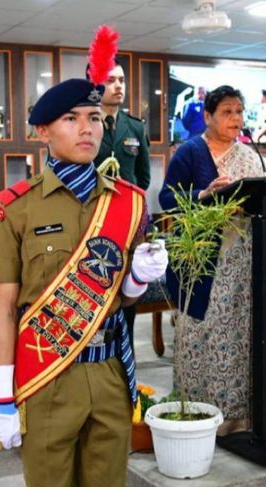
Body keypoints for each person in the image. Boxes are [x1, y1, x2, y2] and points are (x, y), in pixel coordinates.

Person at [0, 69, 167, 487]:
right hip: (47, 376)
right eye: (71, 118)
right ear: (43, 132)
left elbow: (122, 298)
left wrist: (138, 279)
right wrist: (3, 399)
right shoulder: (14, 207)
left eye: (94, 118)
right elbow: (3, 311)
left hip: (109, 373)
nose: (87, 129)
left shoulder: (128, 203)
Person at [159, 85, 266, 434]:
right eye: (226, 112)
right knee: (201, 334)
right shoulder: (190, 152)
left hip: (243, 262)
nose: (235, 118)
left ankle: (238, 418)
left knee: (239, 335)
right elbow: (167, 199)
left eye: (239, 111)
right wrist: (203, 195)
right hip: (203, 262)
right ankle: (199, 416)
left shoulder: (250, 156)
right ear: (207, 116)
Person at [93, 60, 151, 350]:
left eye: (121, 80)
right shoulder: (86, 123)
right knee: (95, 288)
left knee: (126, 291)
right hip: (91, 223)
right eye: (110, 80)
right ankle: (95, 354)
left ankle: (125, 357)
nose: (118, 86)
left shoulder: (134, 127)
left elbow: (143, 178)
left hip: (126, 226)